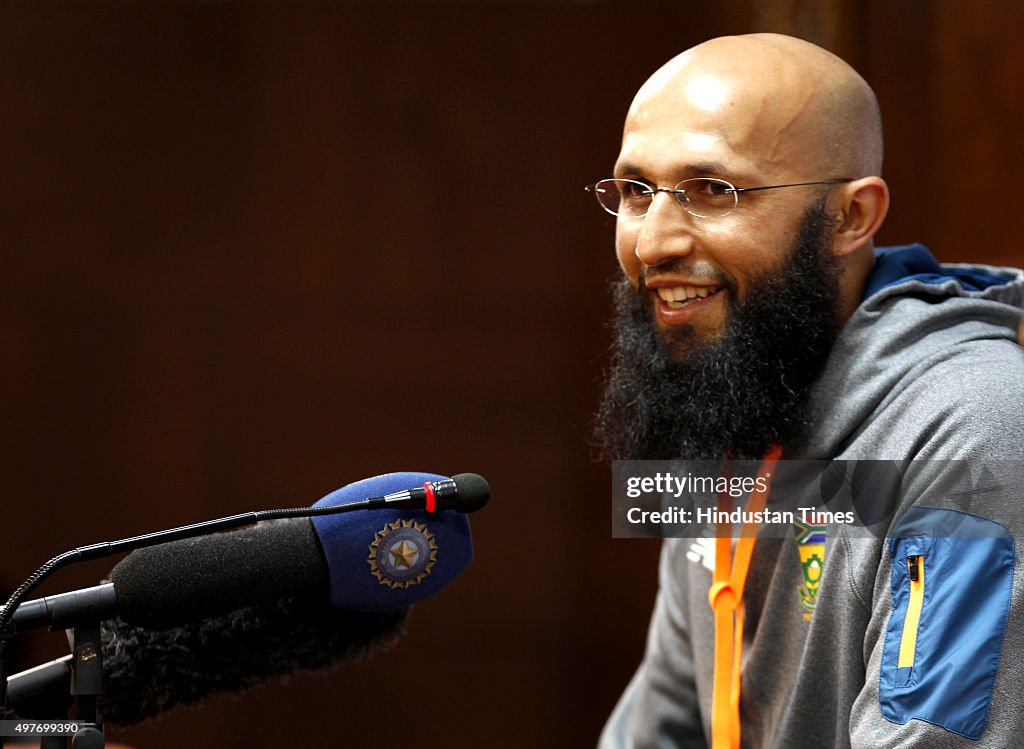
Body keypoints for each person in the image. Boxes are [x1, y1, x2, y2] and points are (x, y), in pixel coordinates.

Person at [589, 33, 1024, 748]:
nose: (651, 242)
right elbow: (661, 728)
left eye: (711, 190)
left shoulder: (974, 426)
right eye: (637, 192)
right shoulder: (737, 387)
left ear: (851, 217)